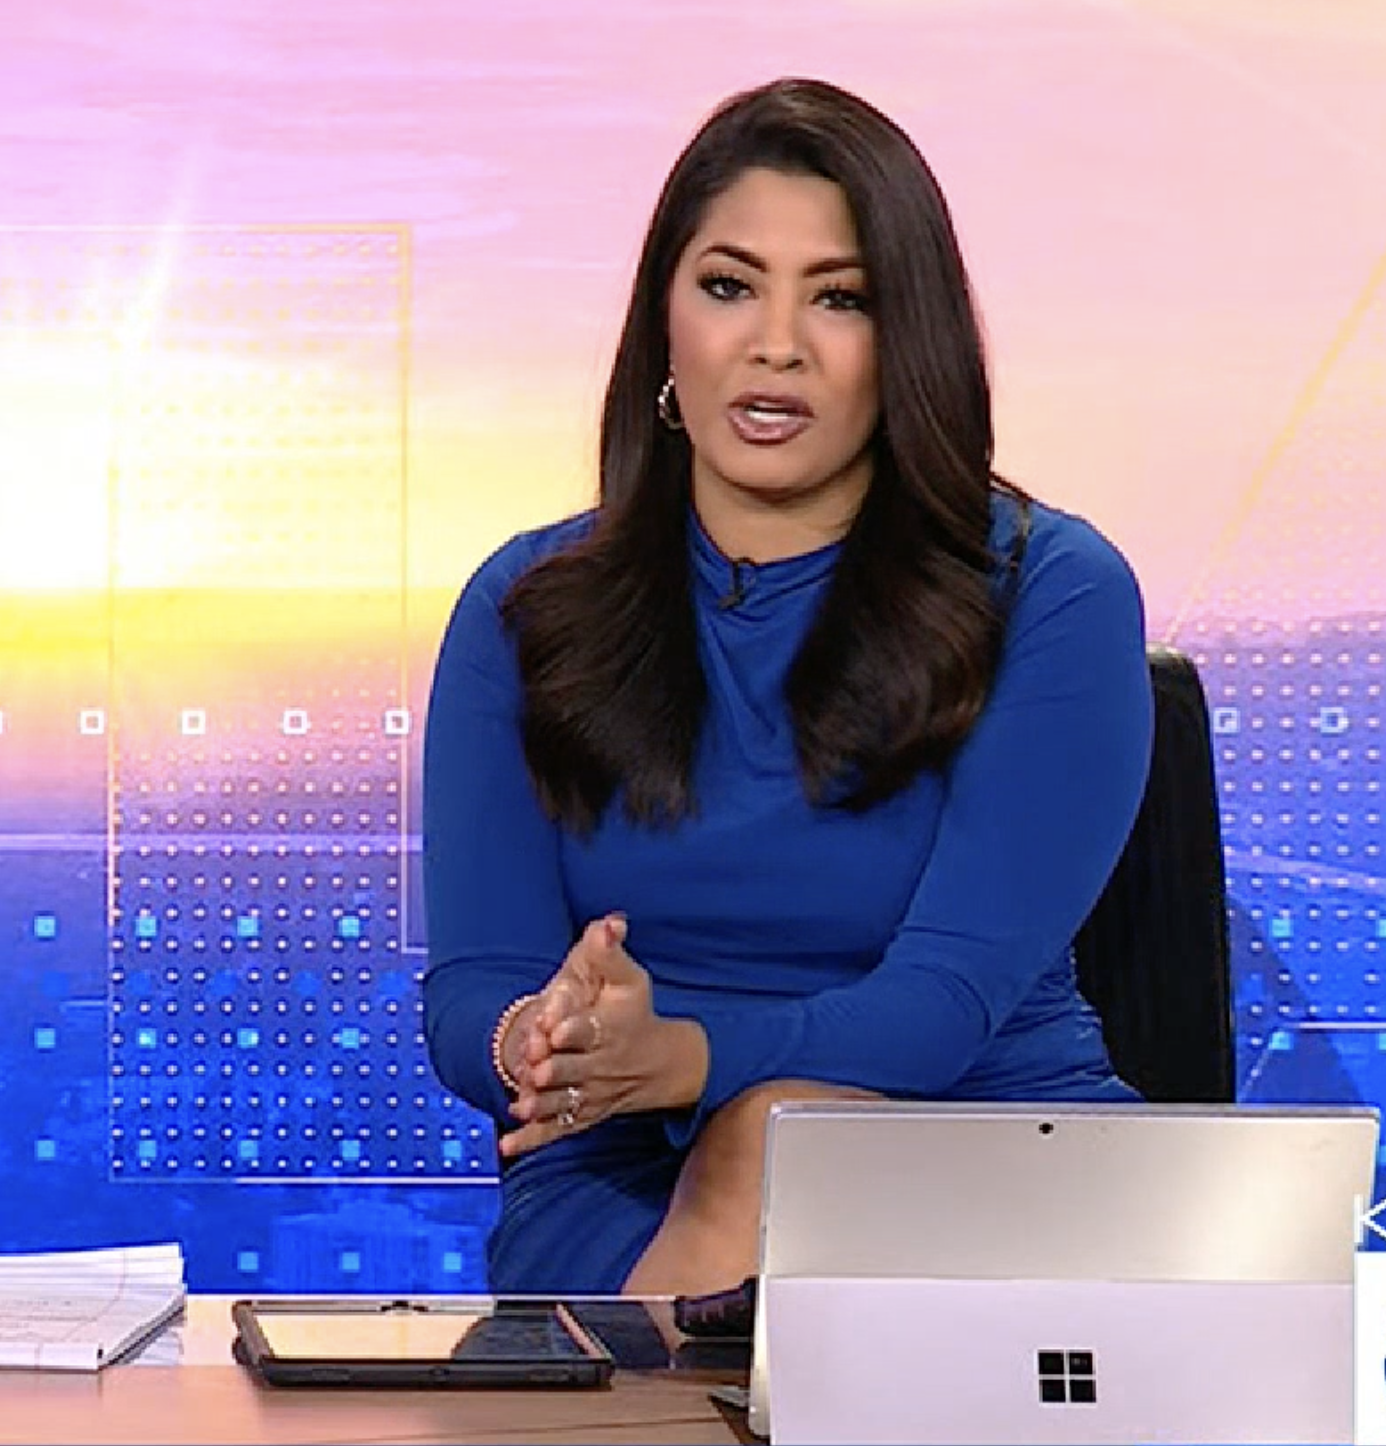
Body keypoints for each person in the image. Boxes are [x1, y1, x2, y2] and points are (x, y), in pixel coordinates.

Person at [420, 79, 1150, 1298]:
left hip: (989, 1149)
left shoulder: (1050, 590)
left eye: (840, 298)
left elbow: (939, 1008)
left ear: (904, 340)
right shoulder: (525, 604)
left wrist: (686, 1059)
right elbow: (469, 993)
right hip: (620, 1182)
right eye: (728, 285)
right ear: (664, 319)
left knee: (770, 1140)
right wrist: (546, 1041)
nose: (775, 343)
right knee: (749, 1167)